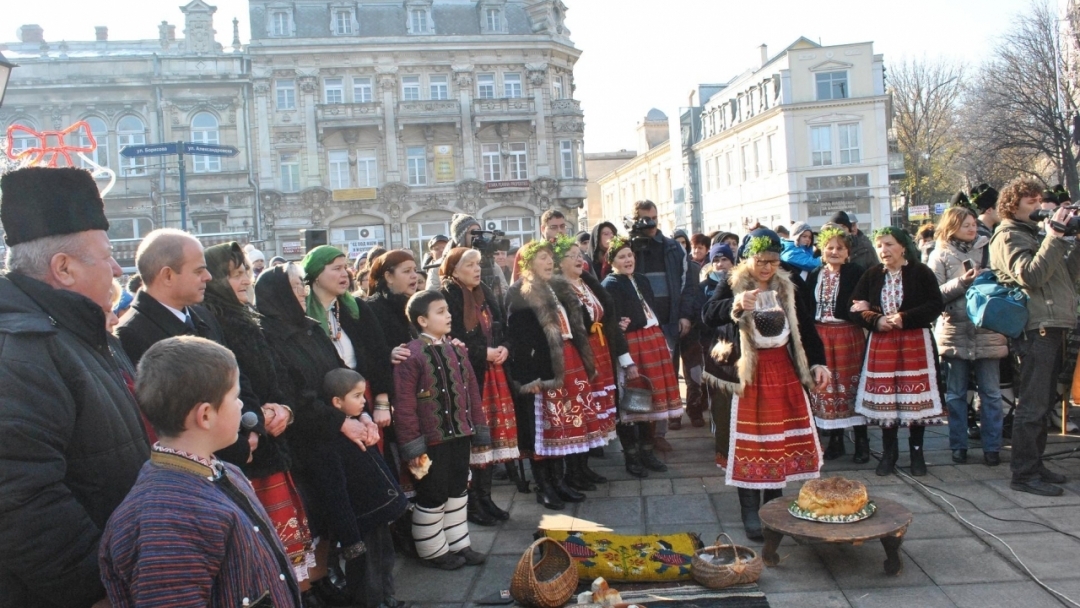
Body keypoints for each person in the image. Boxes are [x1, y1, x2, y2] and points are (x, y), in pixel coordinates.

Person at [0, 167, 149, 608]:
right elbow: (23, 500)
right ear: (63, 268)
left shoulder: (82, 331)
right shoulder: (21, 351)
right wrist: (98, 590)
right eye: (105, 256)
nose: (118, 267)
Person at [99, 336, 301, 608]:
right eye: (235, 397)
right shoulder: (166, 522)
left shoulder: (226, 471)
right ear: (205, 415)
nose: (242, 405)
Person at [254, 263, 386, 606]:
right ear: (278, 293)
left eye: (302, 285)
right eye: (296, 286)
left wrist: (361, 412)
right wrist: (339, 420)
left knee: (343, 518)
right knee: (316, 516)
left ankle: (337, 582)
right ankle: (313, 587)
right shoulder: (268, 334)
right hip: (307, 441)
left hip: (338, 435)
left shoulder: (312, 328)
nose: (302, 292)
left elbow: (339, 377)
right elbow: (292, 393)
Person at [701, 229, 828, 540]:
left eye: (773, 261)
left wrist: (817, 362)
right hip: (748, 371)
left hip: (782, 369)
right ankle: (749, 510)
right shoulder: (731, 281)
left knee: (777, 440)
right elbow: (707, 315)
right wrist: (736, 303)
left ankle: (772, 509)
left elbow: (806, 328)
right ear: (749, 258)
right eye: (761, 261)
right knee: (751, 441)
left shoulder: (789, 285)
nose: (767, 268)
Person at [201, 242, 315, 584]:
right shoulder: (216, 322)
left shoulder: (248, 318)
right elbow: (235, 380)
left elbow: (278, 375)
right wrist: (259, 415)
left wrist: (285, 409)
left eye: (246, 272)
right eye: (234, 275)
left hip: (274, 436)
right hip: (249, 444)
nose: (246, 280)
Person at [116, 229, 262, 467]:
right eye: (198, 270)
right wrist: (234, 446)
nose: (208, 277)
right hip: (192, 469)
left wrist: (253, 424)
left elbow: (234, 373)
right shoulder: (131, 333)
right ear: (167, 275)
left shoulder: (202, 314)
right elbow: (163, 416)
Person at [990, 178, 1080, 496]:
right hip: (1036, 328)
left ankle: (1035, 465)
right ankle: (1024, 474)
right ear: (1012, 206)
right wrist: (1054, 235)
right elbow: (1030, 275)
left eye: (1040, 200)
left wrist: (1073, 239)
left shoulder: (1034, 235)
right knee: (1031, 404)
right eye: (1031, 202)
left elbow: (1066, 275)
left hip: (1053, 324)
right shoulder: (1008, 235)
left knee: (1042, 404)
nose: (1039, 207)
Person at [395, 290, 491, 570]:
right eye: (440, 311)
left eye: (448, 310)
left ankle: (459, 544)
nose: (448, 315)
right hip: (431, 441)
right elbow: (404, 405)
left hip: (460, 434)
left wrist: (479, 428)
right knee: (433, 493)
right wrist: (413, 446)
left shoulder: (457, 349)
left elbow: (472, 390)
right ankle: (432, 550)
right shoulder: (411, 355)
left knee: (458, 489)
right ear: (422, 320)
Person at [505, 240, 599, 508]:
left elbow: (581, 322)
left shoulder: (558, 287)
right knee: (542, 428)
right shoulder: (520, 291)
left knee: (562, 426)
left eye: (550, 258)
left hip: (568, 361)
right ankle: (543, 485)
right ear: (528, 263)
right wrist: (528, 377)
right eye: (542, 258)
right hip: (543, 367)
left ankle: (559, 481)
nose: (549, 263)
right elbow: (519, 338)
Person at [850, 227, 945, 477]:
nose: (884, 250)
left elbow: (936, 304)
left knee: (915, 400)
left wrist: (906, 317)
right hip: (882, 344)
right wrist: (875, 320)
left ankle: (917, 452)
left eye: (889, 244)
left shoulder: (920, 272)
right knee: (887, 401)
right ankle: (889, 453)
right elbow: (857, 307)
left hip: (915, 342)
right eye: (880, 245)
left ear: (903, 246)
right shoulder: (872, 275)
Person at [439, 248, 519, 526]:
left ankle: (486, 498)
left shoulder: (483, 290)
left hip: (493, 371)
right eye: (470, 265)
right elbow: (451, 337)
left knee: (492, 436)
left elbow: (502, 327)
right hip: (471, 375)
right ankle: (473, 504)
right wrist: (482, 352)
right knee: (476, 440)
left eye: (478, 263)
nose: (476, 269)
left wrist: (505, 348)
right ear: (453, 269)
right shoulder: (448, 294)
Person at [317, 369, 409, 608]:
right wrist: (350, 537)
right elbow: (336, 493)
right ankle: (370, 603)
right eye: (357, 396)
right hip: (360, 519)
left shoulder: (358, 426)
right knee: (365, 568)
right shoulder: (331, 445)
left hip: (375, 513)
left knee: (384, 558)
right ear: (337, 402)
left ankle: (387, 598)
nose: (364, 401)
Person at [927, 207, 1007, 467]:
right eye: (966, 225)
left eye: (973, 224)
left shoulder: (989, 248)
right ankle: (958, 446)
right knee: (956, 394)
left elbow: (1006, 283)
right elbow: (932, 294)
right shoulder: (939, 254)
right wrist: (963, 282)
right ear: (952, 227)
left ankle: (992, 447)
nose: (972, 229)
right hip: (954, 329)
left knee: (991, 393)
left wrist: (991, 280)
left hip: (988, 329)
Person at [601, 236, 684, 476]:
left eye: (630, 255)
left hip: (653, 342)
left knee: (651, 403)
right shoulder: (610, 285)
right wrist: (625, 359)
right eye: (622, 257)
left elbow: (651, 311)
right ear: (612, 261)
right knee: (633, 404)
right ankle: (632, 457)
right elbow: (613, 327)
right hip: (633, 345)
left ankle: (648, 452)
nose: (628, 260)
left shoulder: (641, 280)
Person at [552, 235, 624, 485]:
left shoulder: (586, 282)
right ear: (559, 262)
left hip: (599, 349)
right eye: (572, 256)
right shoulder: (559, 287)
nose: (578, 259)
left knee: (593, 409)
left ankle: (583, 467)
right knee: (580, 409)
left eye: (579, 255)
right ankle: (573, 469)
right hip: (581, 352)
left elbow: (605, 307)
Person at [302, 246, 395, 430]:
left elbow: (378, 353)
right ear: (316, 274)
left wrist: (382, 401)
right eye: (336, 268)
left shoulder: (356, 308)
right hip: (326, 405)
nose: (345, 274)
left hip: (362, 399)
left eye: (345, 268)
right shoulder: (302, 313)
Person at [628, 200, 697, 443]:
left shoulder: (672, 248)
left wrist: (685, 315)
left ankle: (659, 433)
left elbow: (687, 284)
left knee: (665, 375)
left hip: (668, 321)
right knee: (639, 378)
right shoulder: (628, 246)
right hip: (638, 324)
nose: (650, 223)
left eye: (654, 218)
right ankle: (641, 433)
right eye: (645, 218)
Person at [800, 227, 869, 463]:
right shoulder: (816, 273)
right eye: (830, 247)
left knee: (850, 387)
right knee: (826, 387)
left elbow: (864, 301)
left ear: (848, 252)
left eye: (840, 248)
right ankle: (836, 440)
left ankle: (862, 440)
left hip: (847, 335)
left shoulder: (856, 272)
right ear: (822, 250)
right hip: (821, 335)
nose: (834, 251)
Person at [699, 242, 736, 467]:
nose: (720, 264)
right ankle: (724, 450)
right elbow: (705, 313)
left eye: (725, 259)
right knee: (721, 402)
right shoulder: (711, 284)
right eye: (716, 260)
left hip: (743, 351)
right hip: (718, 348)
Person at [449, 213, 508, 303]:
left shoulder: (491, 264)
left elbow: (504, 293)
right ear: (460, 237)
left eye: (479, 231)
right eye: (473, 232)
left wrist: (496, 294)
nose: (477, 236)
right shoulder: (445, 264)